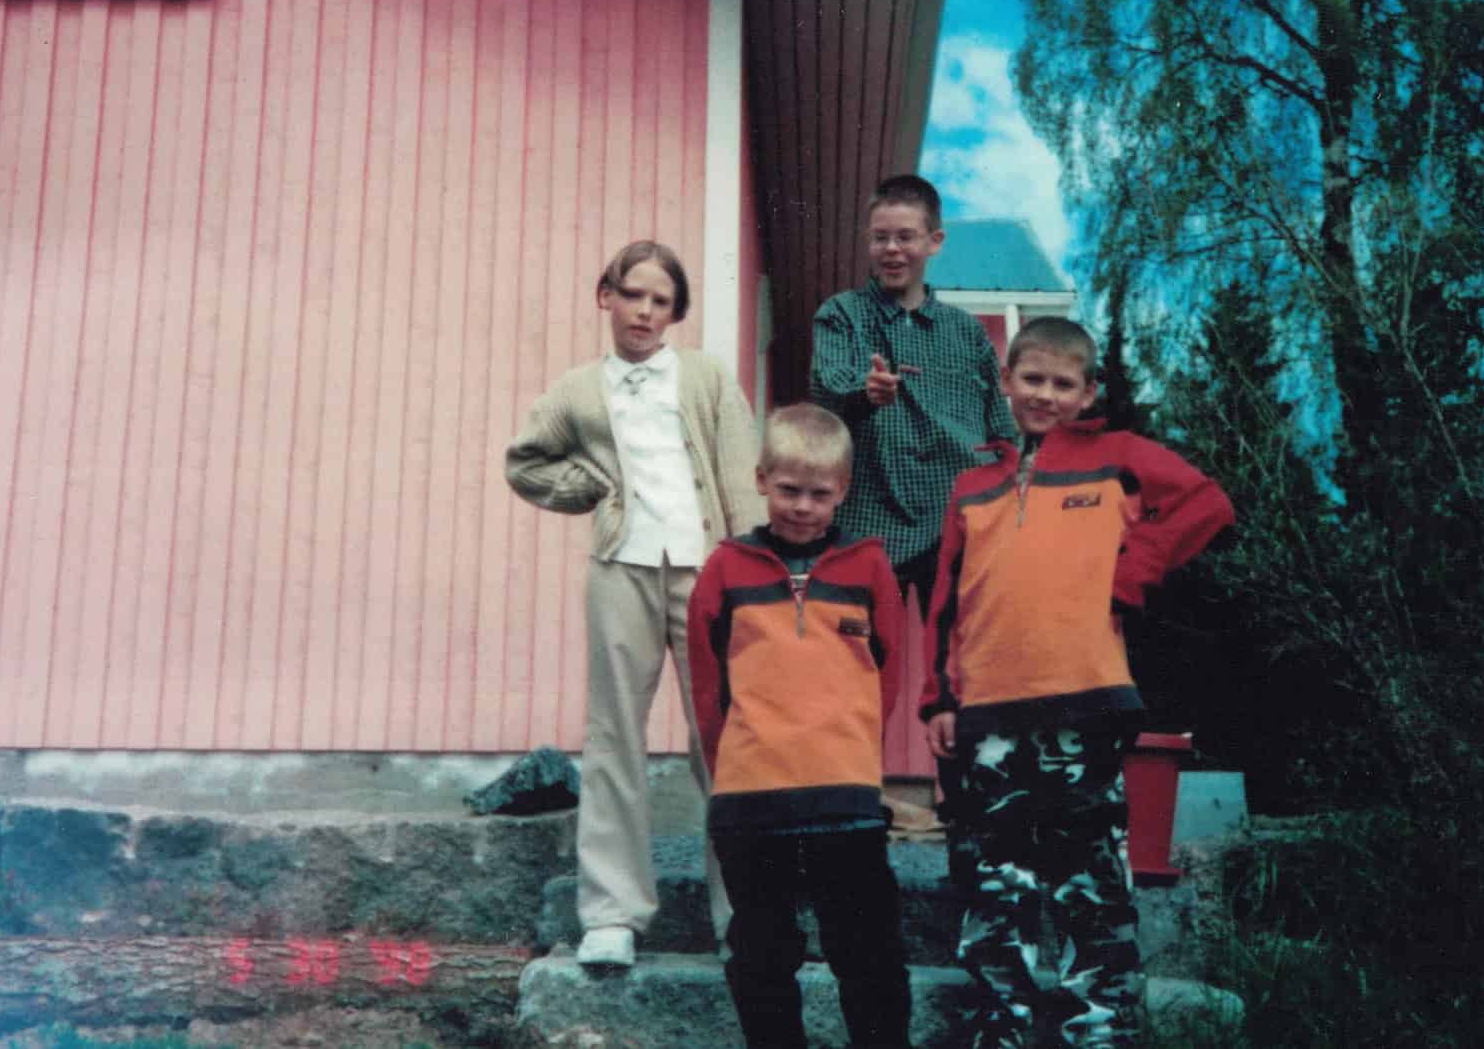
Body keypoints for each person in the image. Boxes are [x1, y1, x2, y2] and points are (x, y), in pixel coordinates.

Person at [919, 317, 1235, 1048]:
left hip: (1084, 712)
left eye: (1064, 383)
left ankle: (1102, 1030)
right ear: (1005, 383)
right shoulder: (972, 485)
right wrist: (938, 698)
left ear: (1089, 391)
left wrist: (1131, 572)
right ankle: (1006, 1025)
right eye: (1032, 378)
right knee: (996, 885)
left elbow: (1206, 503)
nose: (1046, 394)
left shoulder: (1116, 457)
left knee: (1090, 882)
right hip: (989, 719)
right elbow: (946, 598)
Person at [505, 240, 764, 969]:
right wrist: (588, 487)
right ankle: (612, 914)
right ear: (606, 296)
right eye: (633, 295)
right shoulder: (579, 390)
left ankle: (744, 912)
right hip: (621, 571)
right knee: (615, 736)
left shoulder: (707, 376)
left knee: (725, 739)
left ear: (673, 311)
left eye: (660, 301)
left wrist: (750, 570)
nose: (644, 312)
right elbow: (525, 461)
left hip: (708, 571)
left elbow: (743, 474)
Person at [686, 403, 912, 1049]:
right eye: (789, 489)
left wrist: (851, 749)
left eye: (820, 493)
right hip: (752, 798)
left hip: (846, 796)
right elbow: (707, 686)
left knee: (868, 949)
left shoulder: (869, 567)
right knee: (760, 953)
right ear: (760, 479)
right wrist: (732, 762)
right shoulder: (724, 569)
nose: (804, 506)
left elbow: (884, 675)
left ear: (843, 489)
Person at [808, 174, 1015, 619]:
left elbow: (1003, 431)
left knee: (961, 668)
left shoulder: (967, 332)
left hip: (958, 523)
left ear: (934, 241)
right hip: (870, 523)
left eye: (906, 237)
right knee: (857, 666)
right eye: (880, 237)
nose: (892, 249)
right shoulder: (841, 315)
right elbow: (827, 390)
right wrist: (866, 392)